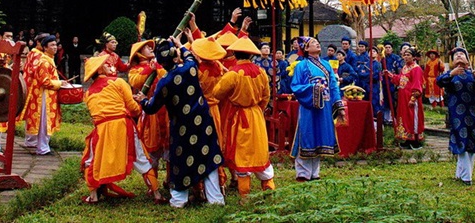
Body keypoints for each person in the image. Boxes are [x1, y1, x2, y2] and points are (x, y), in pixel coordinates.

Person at [138, 37, 225, 208]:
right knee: (207, 156)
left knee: (181, 160)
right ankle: (215, 199)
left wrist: (142, 100)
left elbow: (151, 108)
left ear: (161, 63)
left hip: (181, 127)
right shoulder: (190, 68)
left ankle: (179, 200)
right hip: (203, 121)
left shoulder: (165, 82)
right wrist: (179, 44)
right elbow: (190, 57)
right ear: (176, 57)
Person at [80, 54, 165, 204]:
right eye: (104, 64)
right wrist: (140, 106)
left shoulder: (88, 93)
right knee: (141, 158)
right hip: (122, 125)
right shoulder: (118, 82)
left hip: (101, 129)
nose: (108, 65)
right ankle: (157, 194)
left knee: (91, 160)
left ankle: (93, 196)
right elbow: (133, 107)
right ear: (99, 70)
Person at [213, 36, 275, 199]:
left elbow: (217, 93)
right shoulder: (260, 71)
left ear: (234, 53)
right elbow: (266, 96)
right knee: (259, 149)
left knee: (242, 153)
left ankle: (244, 196)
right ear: (251, 54)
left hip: (239, 116)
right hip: (256, 115)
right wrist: (257, 109)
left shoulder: (233, 73)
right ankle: (269, 188)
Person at [436, 46, 475, 185]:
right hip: (457, 115)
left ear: (468, 60)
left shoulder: (472, 75)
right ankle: (466, 177)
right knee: (461, 141)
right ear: (452, 61)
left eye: (462, 54)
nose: (459, 56)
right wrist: (451, 74)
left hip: (473, 113)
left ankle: (461, 173)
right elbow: (439, 82)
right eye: (456, 55)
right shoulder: (449, 75)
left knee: (473, 141)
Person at [290, 37, 345, 181]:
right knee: (307, 134)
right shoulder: (301, 66)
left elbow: (333, 86)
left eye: (317, 42)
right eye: (313, 43)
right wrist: (314, 88)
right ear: (306, 49)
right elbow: (296, 87)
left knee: (320, 136)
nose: (317, 43)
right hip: (309, 107)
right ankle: (303, 172)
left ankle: (315, 172)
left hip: (324, 107)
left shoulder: (326, 65)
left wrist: (339, 106)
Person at [127, 39, 169, 176]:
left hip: (167, 110)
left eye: (151, 47)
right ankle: (153, 180)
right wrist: (150, 68)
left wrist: (158, 67)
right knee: (151, 149)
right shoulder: (135, 70)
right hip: (150, 111)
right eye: (146, 47)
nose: (151, 48)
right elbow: (136, 81)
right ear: (139, 53)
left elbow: (168, 79)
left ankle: (170, 180)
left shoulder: (161, 64)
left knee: (171, 148)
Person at [22, 35, 63, 155]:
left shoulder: (49, 59)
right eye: (52, 45)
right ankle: (43, 148)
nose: (55, 47)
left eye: (56, 45)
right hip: (44, 95)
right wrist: (60, 83)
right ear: (45, 47)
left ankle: (42, 146)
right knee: (44, 122)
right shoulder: (44, 62)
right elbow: (44, 82)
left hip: (49, 95)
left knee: (45, 121)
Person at [386, 46, 425, 149]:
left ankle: (415, 140)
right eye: (405, 55)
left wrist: (413, 98)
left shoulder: (416, 69)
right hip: (403, 97)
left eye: (409, 55)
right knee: (404, 118)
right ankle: (407, 139)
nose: (406, 57)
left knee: (413, 118)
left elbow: (417, 84)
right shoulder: (405, 67)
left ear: (414, 57)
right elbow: (400, 79)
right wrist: (391, 75)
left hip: (411, 98)